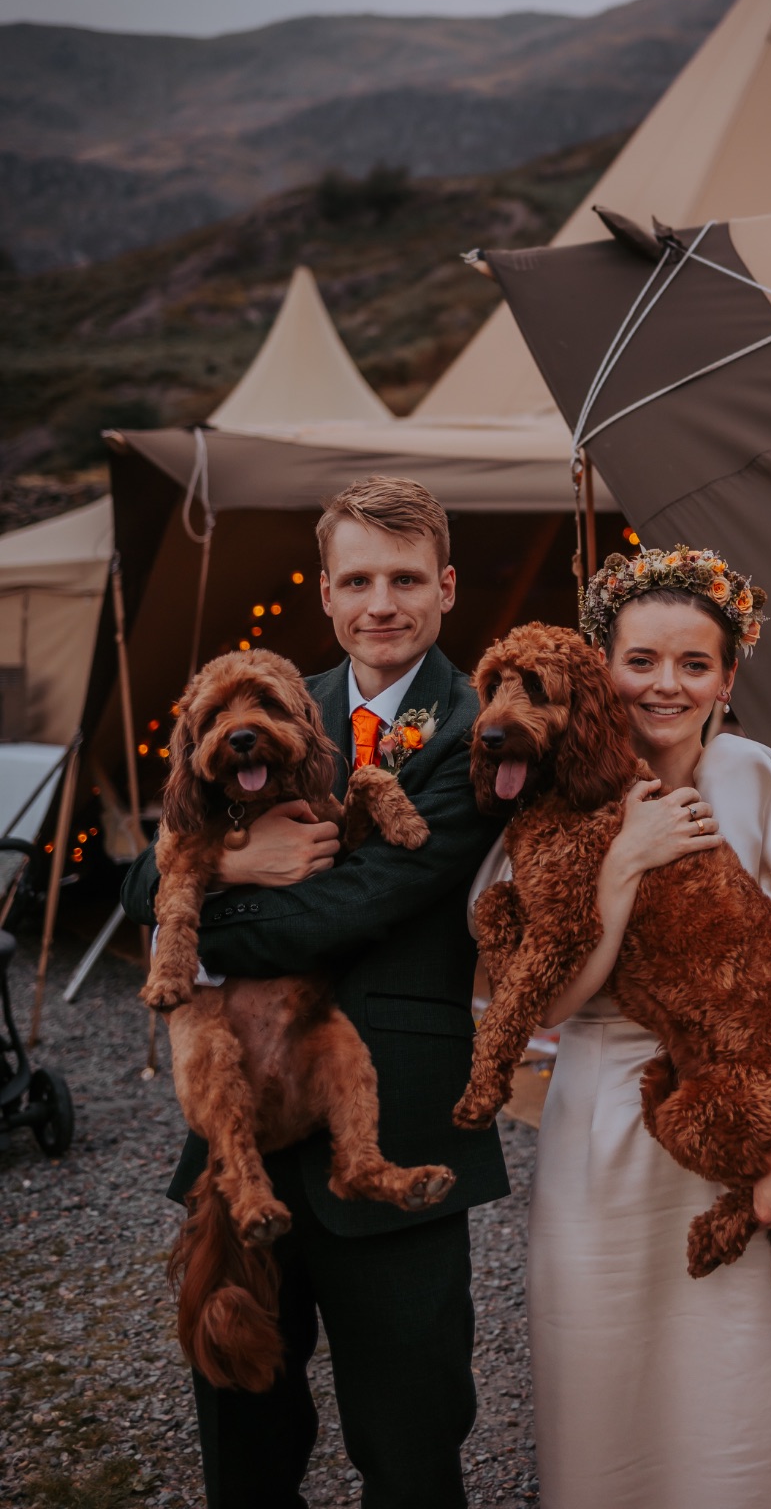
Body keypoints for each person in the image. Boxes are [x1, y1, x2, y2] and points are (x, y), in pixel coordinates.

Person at [122, 475, 506, 1509]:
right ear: (328, 594)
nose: (382, 601)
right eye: (359, 579)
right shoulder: (272, 700)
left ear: (446, 587)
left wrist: (203, 903)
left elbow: (357, 905)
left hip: (393, 1112)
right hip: (241, 1131)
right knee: (240, 1427)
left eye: (406, 577)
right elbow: (135, 877)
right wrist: (238, 860)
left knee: (413, 1436)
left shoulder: (478, 731)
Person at [470, 544, 771, 1509]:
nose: (666, 685)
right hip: (603, 1121)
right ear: (598, 669)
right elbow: (550, 1003)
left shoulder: (756, 779)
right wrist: (623, 864)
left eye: (694, 664)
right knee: (606, 1365)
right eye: (639, 660)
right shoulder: (547, 789)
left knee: (739, 1375)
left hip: (747, 1115)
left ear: (728, 679)